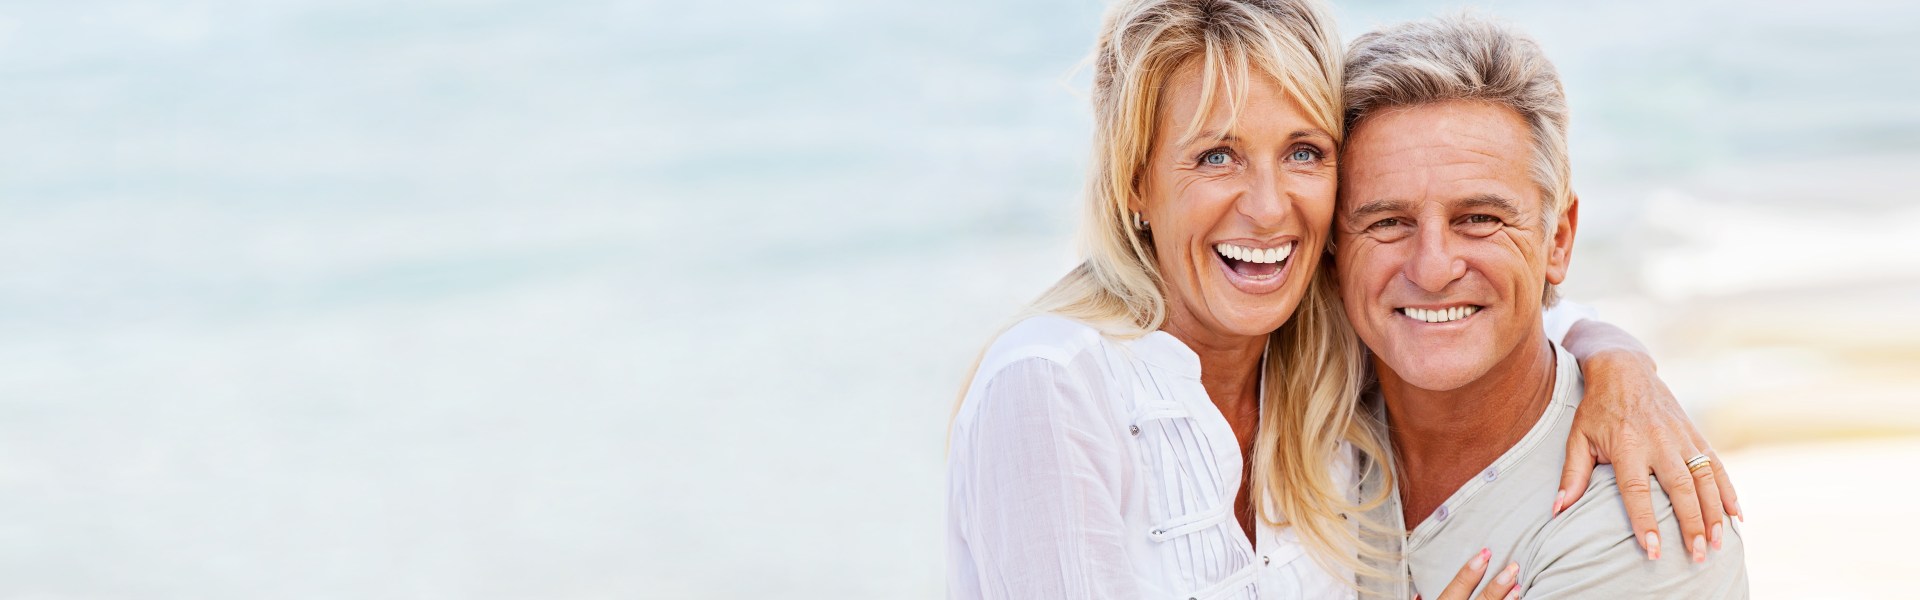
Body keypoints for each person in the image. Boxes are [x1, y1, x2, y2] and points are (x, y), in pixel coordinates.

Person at [947, 1, 1736, 598]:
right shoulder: (1055, 388)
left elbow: (1480, 304)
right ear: (1135, 185)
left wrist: (1620, 365)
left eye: (1303, 152)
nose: (1266, 206)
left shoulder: (1317, 364)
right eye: (1216, 154)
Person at [1334, 14, 1748, 599]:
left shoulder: (1644, 533)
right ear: (1332, 249)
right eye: (1387, 222)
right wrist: (1612, 348)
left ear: (1558, 239)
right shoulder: (1299, 420)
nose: (1431, 268)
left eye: (1479, 219)